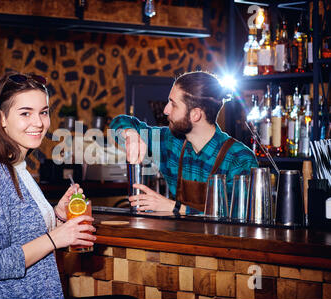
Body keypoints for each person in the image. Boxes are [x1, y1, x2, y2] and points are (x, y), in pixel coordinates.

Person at [0, 72, 96, 299]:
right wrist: (55, 239)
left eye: (43, 112)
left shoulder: (18, 168)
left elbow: (21, 237)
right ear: (1, 118)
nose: (39, 122)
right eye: (25, 113)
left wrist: (57, 218)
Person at [110, 71, 258, 215]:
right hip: (179, 238)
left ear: (195, 115)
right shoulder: (171, 142)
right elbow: (118, 123)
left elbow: (239, 217)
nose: (166, 110)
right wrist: (130, 134)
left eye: (173, 104)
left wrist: (175, 208)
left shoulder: (240, 159)